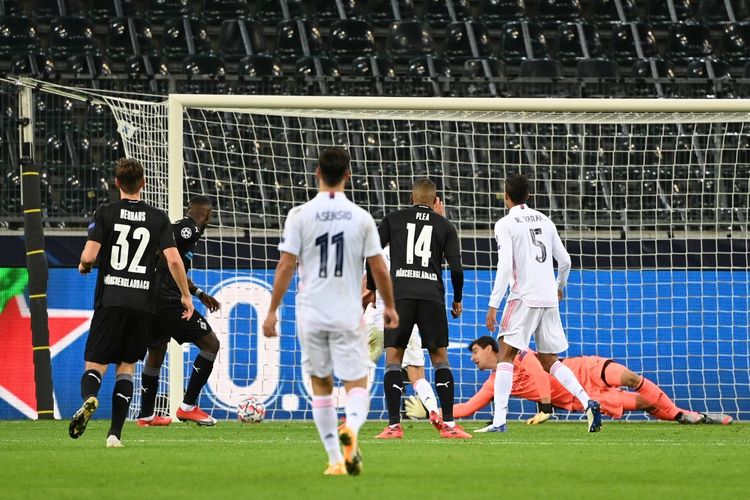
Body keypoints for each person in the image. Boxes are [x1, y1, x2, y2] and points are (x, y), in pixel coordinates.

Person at [262, 146, 398, 476]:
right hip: (347, 311)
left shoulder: (300, 215)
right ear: (348, 176)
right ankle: (351, 426)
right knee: (356, 382)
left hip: (311, 312)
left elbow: (286, 265)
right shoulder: (362, 217)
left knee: (321, 385)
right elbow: (379, 268)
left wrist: (271, 311)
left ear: (317, 174)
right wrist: (390, 305)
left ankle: (335, 459)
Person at [70, 158, 194, 448]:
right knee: (126, 368)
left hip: (111, 300)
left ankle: (90, 397)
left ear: (117, 184)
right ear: (143, 184)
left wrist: (84, 266)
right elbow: (174, 259)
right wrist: (186, 296)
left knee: (96, 364)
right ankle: (114, 435)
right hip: (142, 304)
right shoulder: (158, 217)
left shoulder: (105, 212)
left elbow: (89, 257)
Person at [484, 173, 601, 433]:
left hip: (523, 297)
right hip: (548, 297)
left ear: (506, 196)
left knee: (505, 353)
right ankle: (587, 401)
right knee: (549, 360)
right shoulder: (545, 220)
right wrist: (559, 287)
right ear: (529, 195)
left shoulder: (505, 223)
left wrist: (494, 304)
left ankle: (499, 421)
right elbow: (566, 260)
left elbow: (504, 267)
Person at [405, 336, 733, 426]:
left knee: (631, 377)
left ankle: (682, 413)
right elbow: (466, 408)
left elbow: (537, 372)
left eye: (475, 352)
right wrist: (432, 412)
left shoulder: (520, 355)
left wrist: (545, 406)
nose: (473, 358)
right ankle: (684, 416)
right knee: (646, 403)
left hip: (583, 369)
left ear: (492, 349)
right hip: (581, 399)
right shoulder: (494, 383)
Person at [368, 179, 470, 439]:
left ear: (411, 197)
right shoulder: (444, 225)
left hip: (400, 297)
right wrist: (457, 299)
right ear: (436, 201)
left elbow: (371, 252)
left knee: (394, 360)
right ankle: (448, 425)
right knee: (439, 359)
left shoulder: (394, 219)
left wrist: (371, 286)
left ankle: (393, 427)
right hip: (431, 298)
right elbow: (457, 269)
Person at [136, 195, 222, 427]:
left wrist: (200, 293)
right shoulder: (189, 228)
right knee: (211, 344)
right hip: (168, 300)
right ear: (207, 216)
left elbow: (171, 264)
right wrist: (186, 296)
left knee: (156, 352)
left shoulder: (181, 233)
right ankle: (188, 407)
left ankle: (145, 415)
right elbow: (171, 261)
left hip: (151, 298)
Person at [362, 197, 447, 424]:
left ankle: (353, 414)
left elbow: (366, 292)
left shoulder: (377, 255)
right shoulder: (411, 257)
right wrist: (439, 219)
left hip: (378, 320)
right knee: (417, 373)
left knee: (360, 366)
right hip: (407, 317)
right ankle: (434, 412)